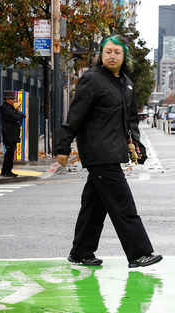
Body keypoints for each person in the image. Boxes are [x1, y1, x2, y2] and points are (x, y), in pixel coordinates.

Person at [54, 35, 162, 269]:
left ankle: (81, 252)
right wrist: (63, 146)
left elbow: (130, 119)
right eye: (108, 52)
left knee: (94, 205)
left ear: (124, 56)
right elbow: (75, 115)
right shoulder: (92, 79)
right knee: (123, 204)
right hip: (99, 151)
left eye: (117, 52)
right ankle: (139, 253)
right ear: (101, 55)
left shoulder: (126, 83)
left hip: (113, 150)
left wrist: (138, 146)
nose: (112, 56)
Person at [0, 90, 24, 177]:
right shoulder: (6, 109)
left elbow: (19, 117)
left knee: (11, 152)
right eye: (12, 99)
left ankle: (6, 170)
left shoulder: (11, 108)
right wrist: (18, 115)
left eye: (14, 99)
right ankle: (6, 171)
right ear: (7, 99)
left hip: (13, 133)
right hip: (9, 134)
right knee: (9, 152)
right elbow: (16, 118)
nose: (14, 100)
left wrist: (18, 115)